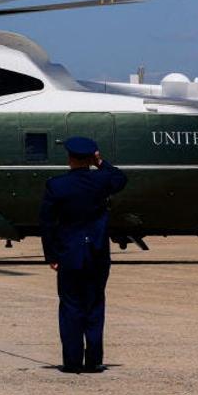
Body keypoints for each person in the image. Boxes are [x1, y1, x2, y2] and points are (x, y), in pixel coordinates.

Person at [40, 136, 128, 374]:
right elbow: (121, 178)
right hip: (97, 253)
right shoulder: (102, 181)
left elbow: (47, 224)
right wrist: (101, 163)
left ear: (69, 158)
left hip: (69, 254)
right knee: (95, 305)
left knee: (70, 306)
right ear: (91, 157)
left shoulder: (56, 185)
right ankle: (94, 360)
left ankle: (72, 360)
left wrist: (51, 255)